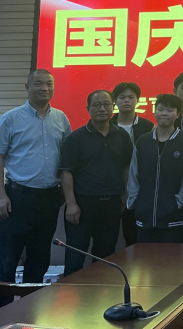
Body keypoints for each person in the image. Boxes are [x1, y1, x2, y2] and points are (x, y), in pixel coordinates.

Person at [0, 69, 71, 309]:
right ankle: (1, 314)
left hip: (49, 197)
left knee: (39, 257)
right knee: (7, 258)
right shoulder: (11, 118)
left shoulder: (61, 119)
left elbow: (67, 159)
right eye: (39, 84)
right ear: (27, 87)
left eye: (49, 84)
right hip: (17, 197)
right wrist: (0, 196)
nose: (45, 88)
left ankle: (29, 310)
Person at [60, 90, 133, 276]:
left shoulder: (122, 136)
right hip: (83, 204)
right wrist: (71, 204)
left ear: (113, 107)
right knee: (75, 255)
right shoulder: (76, 138)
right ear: (88, 109)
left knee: (105, 257)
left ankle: (101, 292)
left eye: (106, 104)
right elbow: (66, 172)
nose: (102, 109)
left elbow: (126, 168)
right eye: (97, 105)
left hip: (111, 204)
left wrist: (124, 195)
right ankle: (72, 292)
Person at [126, 94, 183, 243]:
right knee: (145, 257)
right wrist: (136, 201)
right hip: (145, 215)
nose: (164, 114)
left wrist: (180, 202)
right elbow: (133, 174)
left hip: (174, 217)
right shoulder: (143, 141)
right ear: (154, 112)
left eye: (170, 110)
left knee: (171, 257)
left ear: (177, 114)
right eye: (160, 109)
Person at [112, 81, 154, 246]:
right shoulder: (107, 125)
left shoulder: (148, 127)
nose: (127, 101)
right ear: (115, 101)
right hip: (113, 188)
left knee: (135, 237)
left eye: (131, 97)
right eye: (122, 97)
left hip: (140, 188)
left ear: (138, 100)